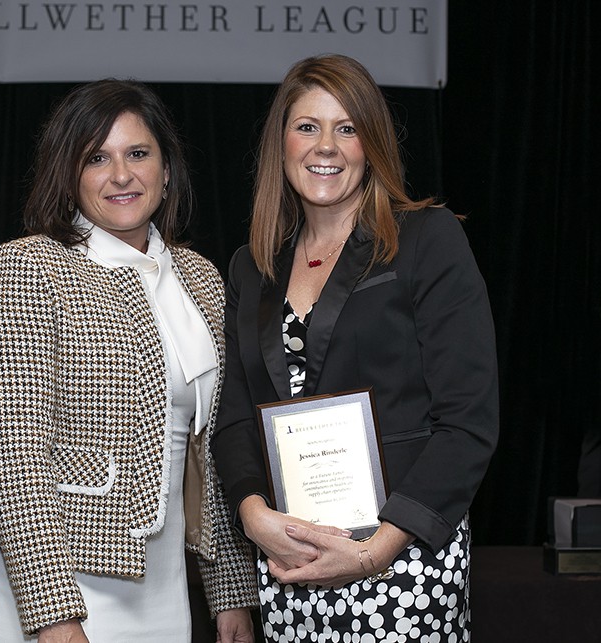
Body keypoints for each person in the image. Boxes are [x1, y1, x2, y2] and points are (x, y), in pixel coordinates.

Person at [211, 54, 499, 641]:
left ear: (372, 144)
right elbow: (235, 420)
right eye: (307, 126)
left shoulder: (427, 239)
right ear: (281, 143)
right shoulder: (252, 267)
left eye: (348, 128)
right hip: (291, 563)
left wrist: (375, 552)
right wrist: (253, 515)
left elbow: (467, 422)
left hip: (406, 562)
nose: (327, 147)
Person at [0, 79, 258, 642]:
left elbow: (210, 451)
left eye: (138, 153)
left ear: (166, 168)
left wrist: (230, 592)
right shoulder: (27, 267)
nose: (121, 175)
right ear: (69, 175)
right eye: (96, 158)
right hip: (60, 576)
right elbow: (13, 457)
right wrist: (52, 613)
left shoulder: (201, 278)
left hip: (164, 573)